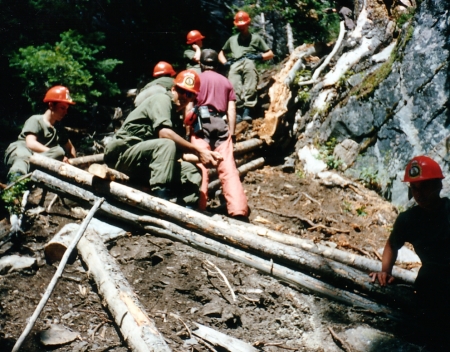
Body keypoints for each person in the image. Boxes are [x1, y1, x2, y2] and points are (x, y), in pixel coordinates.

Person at [104, 70, 223, 207]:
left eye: (189, 94)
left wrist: (207, 157)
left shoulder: (176, 119)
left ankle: (186, 212)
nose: (184, 96)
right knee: (166, 143)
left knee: (191, 170)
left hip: (145, 164)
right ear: (173, 89)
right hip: (124, 156)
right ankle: (162, 203)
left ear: (193, 98)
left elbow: (177, 155)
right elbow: (164, 134)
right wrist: (198, 151)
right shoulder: (162, 99)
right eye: (181, 91)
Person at [369, 156, 450, 349]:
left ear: (438, 185)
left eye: (424, 187)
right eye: (414, 189)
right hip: (431, 282)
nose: (419, 194)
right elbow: (391, 245)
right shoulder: (409, 220)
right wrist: (385, 272)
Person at [185, 49, 249, 220]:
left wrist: (187, 130)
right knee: (228, 168)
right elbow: (232, 109)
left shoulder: (196, 79)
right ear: (217, 64)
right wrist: (232, 133)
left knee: (201, 166)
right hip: (221, 124)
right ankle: (238, 210)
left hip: (200, 126)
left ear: (201, 63)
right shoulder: (226, 82)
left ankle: (199, 206)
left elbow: (189, 106)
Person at [4, 85, 77, 183]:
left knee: (59, 151)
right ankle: (15, 183)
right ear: (51, 105)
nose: (65, 112)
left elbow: (70, 147)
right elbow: (30, 143)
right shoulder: (36, 120)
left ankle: (29, 175)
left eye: (67, 109)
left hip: (40, 158)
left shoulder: (58, 128)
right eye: (62, 108)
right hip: (23, 150)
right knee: (23, 157)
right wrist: (56, 154)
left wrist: (73, 163)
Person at [218, 10, 274, 122]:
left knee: (250, 81)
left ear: (248, 24)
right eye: (239, 25)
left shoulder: (256, 38)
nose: (241, 27)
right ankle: (238, 111)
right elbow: (221, 53)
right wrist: (225, 62)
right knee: (233, 84)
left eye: (243, 25)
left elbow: (270, 54)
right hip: (235, 62)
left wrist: (259, 56)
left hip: (248, 60)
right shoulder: (232, 39)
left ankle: (248, 109)